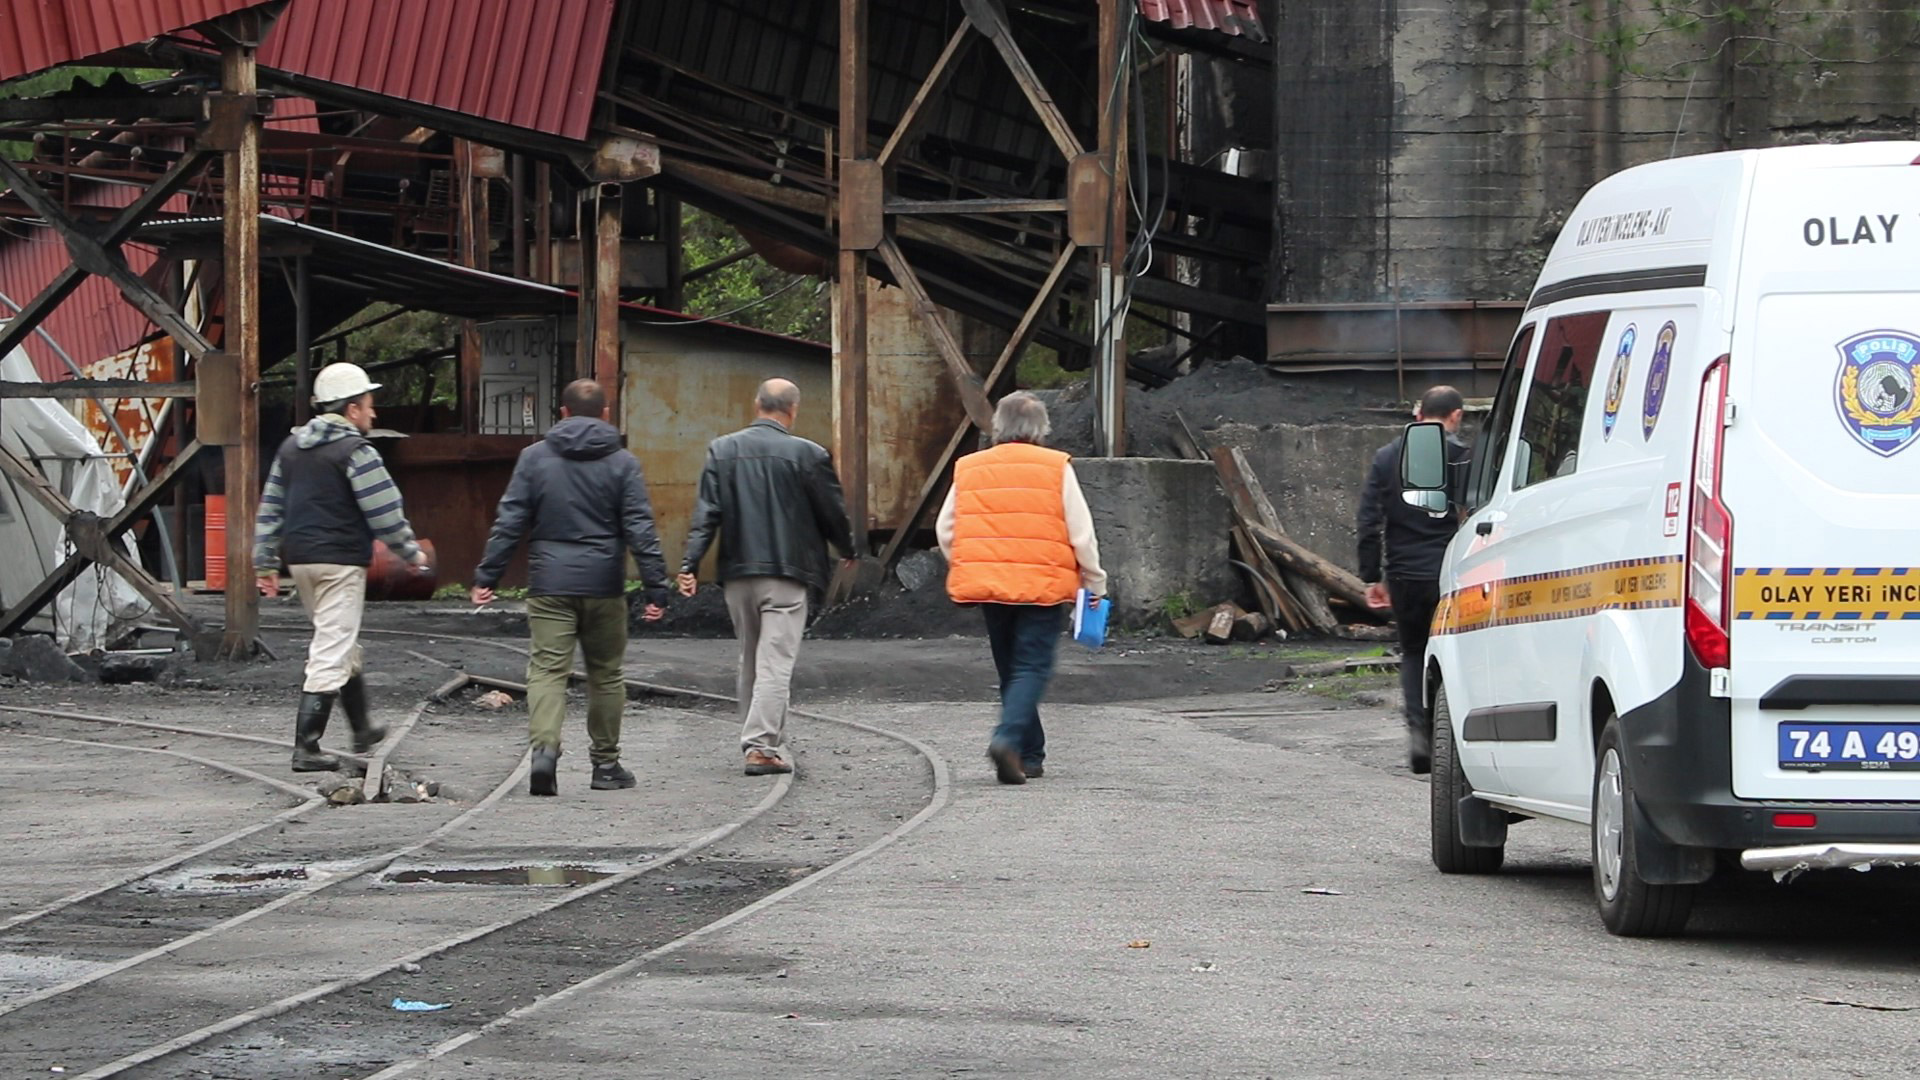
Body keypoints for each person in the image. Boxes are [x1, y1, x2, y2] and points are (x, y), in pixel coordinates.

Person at [471, 379, 671, 797]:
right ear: (605, 414)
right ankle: (606, 766)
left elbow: (510, 520)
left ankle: (545, 751)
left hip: (550, 583)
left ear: (562, 412)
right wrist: (656, 587)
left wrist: (488, 576)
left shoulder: (534, 458)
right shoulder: (623, 462)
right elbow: (640, 528)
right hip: (603, 585)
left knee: (547, 670)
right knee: (606, 674)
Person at [254, 362, 428, 772]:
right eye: (368, 404)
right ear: (351, 409)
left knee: (339, 639)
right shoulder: (356, 452)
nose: (373, 413)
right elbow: (384, 510)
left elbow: (271, 506)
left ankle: (362, 728)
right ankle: (306, 747)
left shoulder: (291, 448)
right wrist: (410, 552)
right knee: (331, 648)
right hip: (340, 562)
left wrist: (264, 560)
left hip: (300, 561)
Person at [677, 378, 854, 776]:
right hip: (787, 574)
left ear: (757, 404)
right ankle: (760, 746)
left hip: (738, 572)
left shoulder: (722, 450)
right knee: (775, 661)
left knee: (751, 658)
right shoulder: (809, 454)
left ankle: (762, 739)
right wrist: (847, 548)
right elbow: (832, 510)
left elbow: (706, 514)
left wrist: (689, 564)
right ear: (793, 410)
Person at [938, 391, 1105, 786]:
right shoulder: (1056, 466)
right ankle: (1008, 738)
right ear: (1040, 429)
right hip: (1042, 585)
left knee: (1011, 668)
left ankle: (1029, 755)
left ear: (999, 426)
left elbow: (945, 529)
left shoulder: (970, 467)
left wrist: (969, 562)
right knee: (1031, 667)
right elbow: (1081, 533)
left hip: (990, 585)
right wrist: (1095, 580)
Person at [1357, 384, 1470, 775]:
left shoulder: (1387, 457)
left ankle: (1419, 732)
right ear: (1456, 415)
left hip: (1404, 574)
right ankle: (1450, 736)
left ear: (1420, 415)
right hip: (1450, 573)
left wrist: (1372, 576)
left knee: (1412, 652)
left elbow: (1368, 520)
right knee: (1456, 653)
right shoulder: (1463, 457)